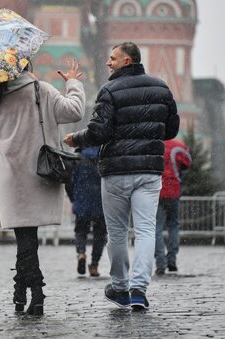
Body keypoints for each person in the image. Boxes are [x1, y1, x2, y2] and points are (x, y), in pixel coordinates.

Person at [63, 42, 180, 310]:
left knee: (116, 232)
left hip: (116, 171)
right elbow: (171, 129)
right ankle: (139, 289)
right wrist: (146, 135)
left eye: (113, 58)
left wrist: (75, 139)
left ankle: (119, 286)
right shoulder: (161, 87)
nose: (108, 62)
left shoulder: (109, 90)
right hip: (149, 171)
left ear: (127, 61)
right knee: (146, 230)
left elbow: (98, 132)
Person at [0, 59, 85, 316]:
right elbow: (75, 111)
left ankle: (28, 293)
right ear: (27, 67)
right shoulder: (41, 90)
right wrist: (73, 83)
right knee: (27, 238)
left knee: (25, 237)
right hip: (39, 173)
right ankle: (30, 293)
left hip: (11, 179)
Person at [65, 147, 107, 277]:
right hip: (101, 202)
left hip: (82, 201)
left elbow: (69, 181)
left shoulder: (77, 158)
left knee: (80, 231)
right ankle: (94, 265)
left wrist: (74, 198)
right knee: (100, 235)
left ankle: (81, 253)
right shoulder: (104, 156)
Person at [155, 139, 191, 275]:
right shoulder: (178, 147)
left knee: (156, 228)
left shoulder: (153, 144)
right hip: (173, 190)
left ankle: (160, 262)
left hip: (156, 191)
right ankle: (172, 259)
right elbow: (187, 162)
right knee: (173, 225)